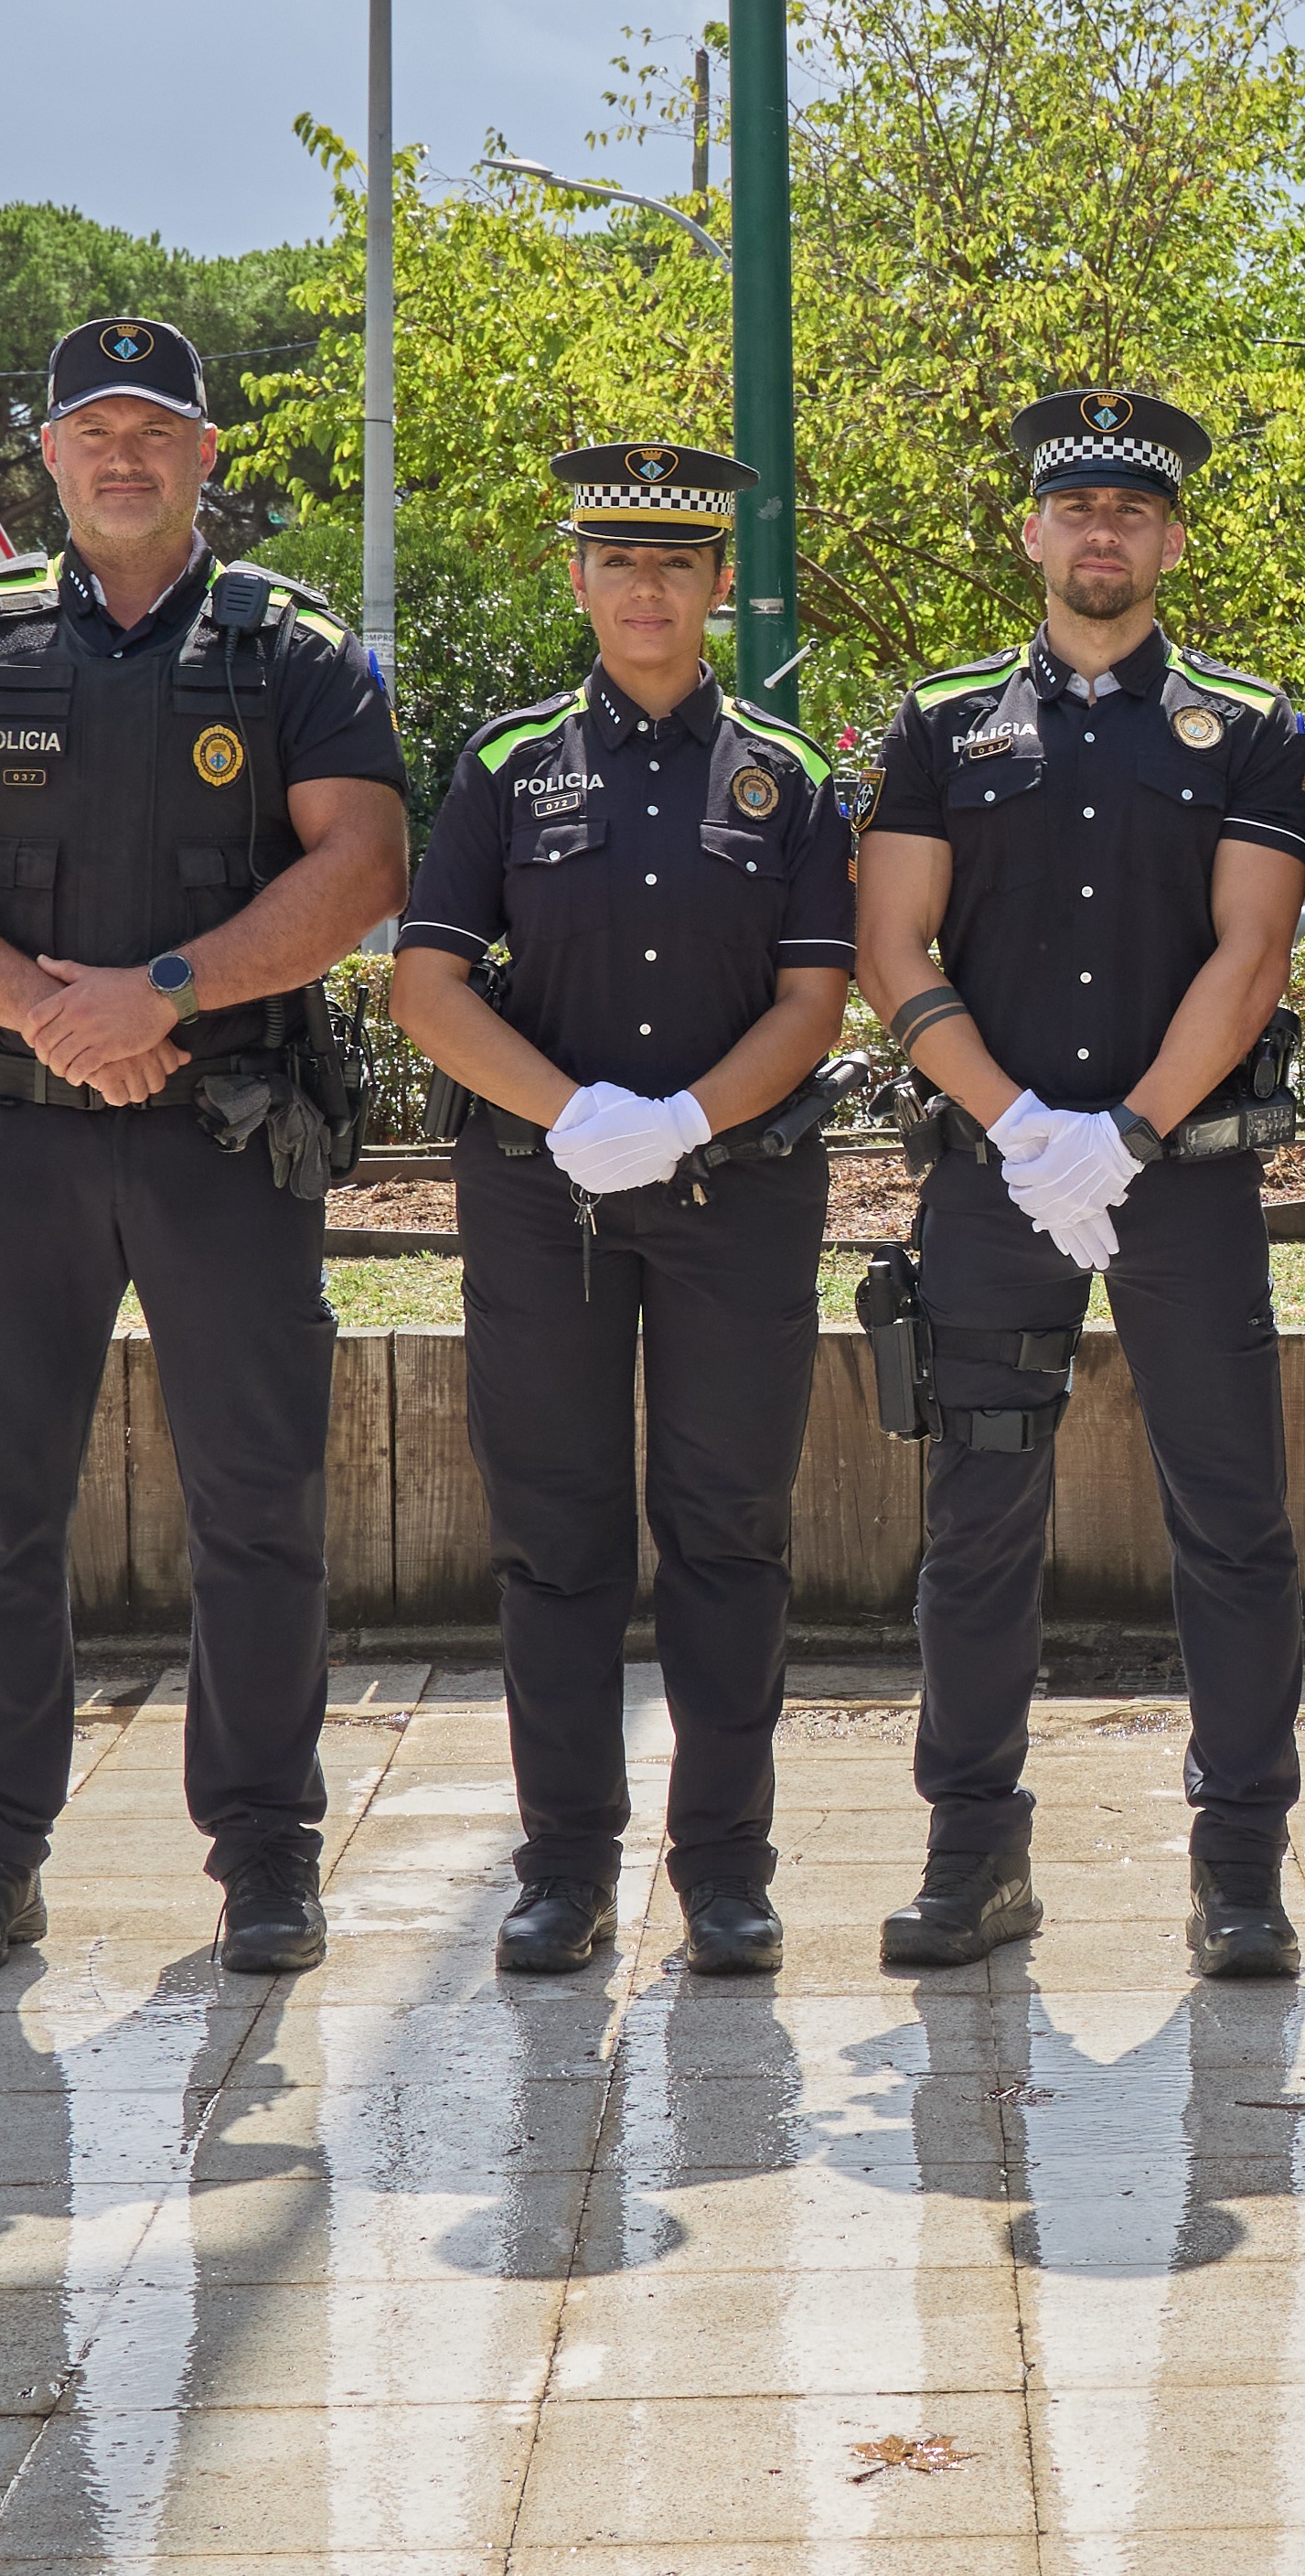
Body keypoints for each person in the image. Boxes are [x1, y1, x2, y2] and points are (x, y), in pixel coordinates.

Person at [0, 314, 408, 1980]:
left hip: (228, 1140)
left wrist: (160, 989)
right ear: (47, 455)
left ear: (205, 458)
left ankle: (264, 1858)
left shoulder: (294, 651)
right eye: (91, 429)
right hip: (13, 1144)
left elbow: (364, 863)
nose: (122, 454)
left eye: (154, 429)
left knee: (259, 1508)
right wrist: (49, 1014)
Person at [853, 388, 1305, 1979]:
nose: (1102, 531)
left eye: (1133, 510)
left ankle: (1240, 1864)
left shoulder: (1250, 727)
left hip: (1179, 1178)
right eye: (1076, 508)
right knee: (977, 1517)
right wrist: (1021, 1125)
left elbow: (1252, 951)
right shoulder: (938, 726)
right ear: (1032, 533)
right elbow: (889, 947)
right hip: (991, 1186)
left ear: (1170, 539)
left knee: (1234, 1520)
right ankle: (971, 1851)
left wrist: (1117, 1134)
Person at [390, 443, 857, 1981]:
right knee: (556, 1536)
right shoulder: (509, 763)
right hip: (543, 1206)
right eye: (616, 562)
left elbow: (814, 998)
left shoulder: (786, 775)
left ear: (719, 586)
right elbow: (427, 982)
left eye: (676, 564)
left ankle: (726, 1871)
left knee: (730, 1534)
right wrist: (569, 1115)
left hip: (739, 1195)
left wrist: (677, 1119)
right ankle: (565, 1871)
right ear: (578, 580)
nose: (646, 589)